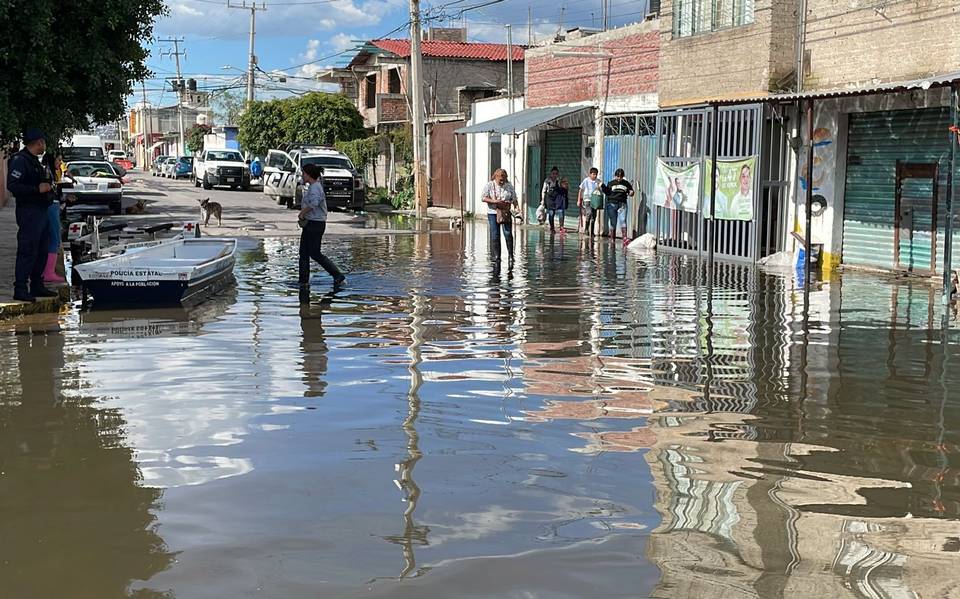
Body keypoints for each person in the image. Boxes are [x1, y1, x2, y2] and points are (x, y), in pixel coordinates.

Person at [7, 129, 57, 302]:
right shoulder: (20, 160)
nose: (44, 145)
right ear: (38, 142)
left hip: (41, 210)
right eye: (43, 142)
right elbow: (12, 186)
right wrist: (37, 189)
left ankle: (37, 285)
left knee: (42, 250)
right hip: (29, 212)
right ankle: (20, 288)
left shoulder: (35, 161)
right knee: (28, 250)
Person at [297, 163, 345, 301]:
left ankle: (337, 275)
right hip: (311, 223)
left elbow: (314, 203)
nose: (302, 176)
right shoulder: (312, 186)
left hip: (315, 224)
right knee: (304, 253)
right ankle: (303, 281)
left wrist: (302, 213)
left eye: (303, 173)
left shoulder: (315, 188)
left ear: (308, 174)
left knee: (314, 253)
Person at [481, 168, 518, 264]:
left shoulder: (509, 186)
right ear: (496, 177)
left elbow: (514, 198)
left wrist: (516, 207)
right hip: (493, 212)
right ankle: (497, 257)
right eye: (500, 180)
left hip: (505, 212)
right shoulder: (489, 185)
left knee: (508, 233)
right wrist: (495, 201)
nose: (502, 182)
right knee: (495, 235)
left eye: (504, 179)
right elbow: (483, 198)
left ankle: (511, 256)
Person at [40, 152, 66, 284]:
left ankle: (46, 270)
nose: (60, 163)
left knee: (51, 238)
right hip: (51, 206)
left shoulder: (49, 172)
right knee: (55, 238)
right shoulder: (47, 173)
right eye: (59, 160)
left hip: (52, 206)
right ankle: (49, 272)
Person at [601, 168, 634, 244]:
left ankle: (624, 238)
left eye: (621, 177)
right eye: (617, 176)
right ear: (615, 176)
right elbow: (607, 192)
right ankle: (612, 239)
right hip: (612, 204)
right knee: (613, 221)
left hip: (622, 204)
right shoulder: (611, 183)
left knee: (623, 220)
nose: (619, 178)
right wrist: (602, 186)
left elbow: (631, 192)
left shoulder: (626, 183)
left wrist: (631, 192)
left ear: (623, 176)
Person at [578, 167, 602, 236]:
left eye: (596, 174)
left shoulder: (598, 181)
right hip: (587, 199)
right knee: (589, 213)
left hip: (595, 200)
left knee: (594, 216)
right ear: (590, 174)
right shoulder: (586, 180)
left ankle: (592, 232)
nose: (594, 176)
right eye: (593, 174)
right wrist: (579, 200)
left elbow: (601, 189)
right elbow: (581, 190)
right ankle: (586, 229)